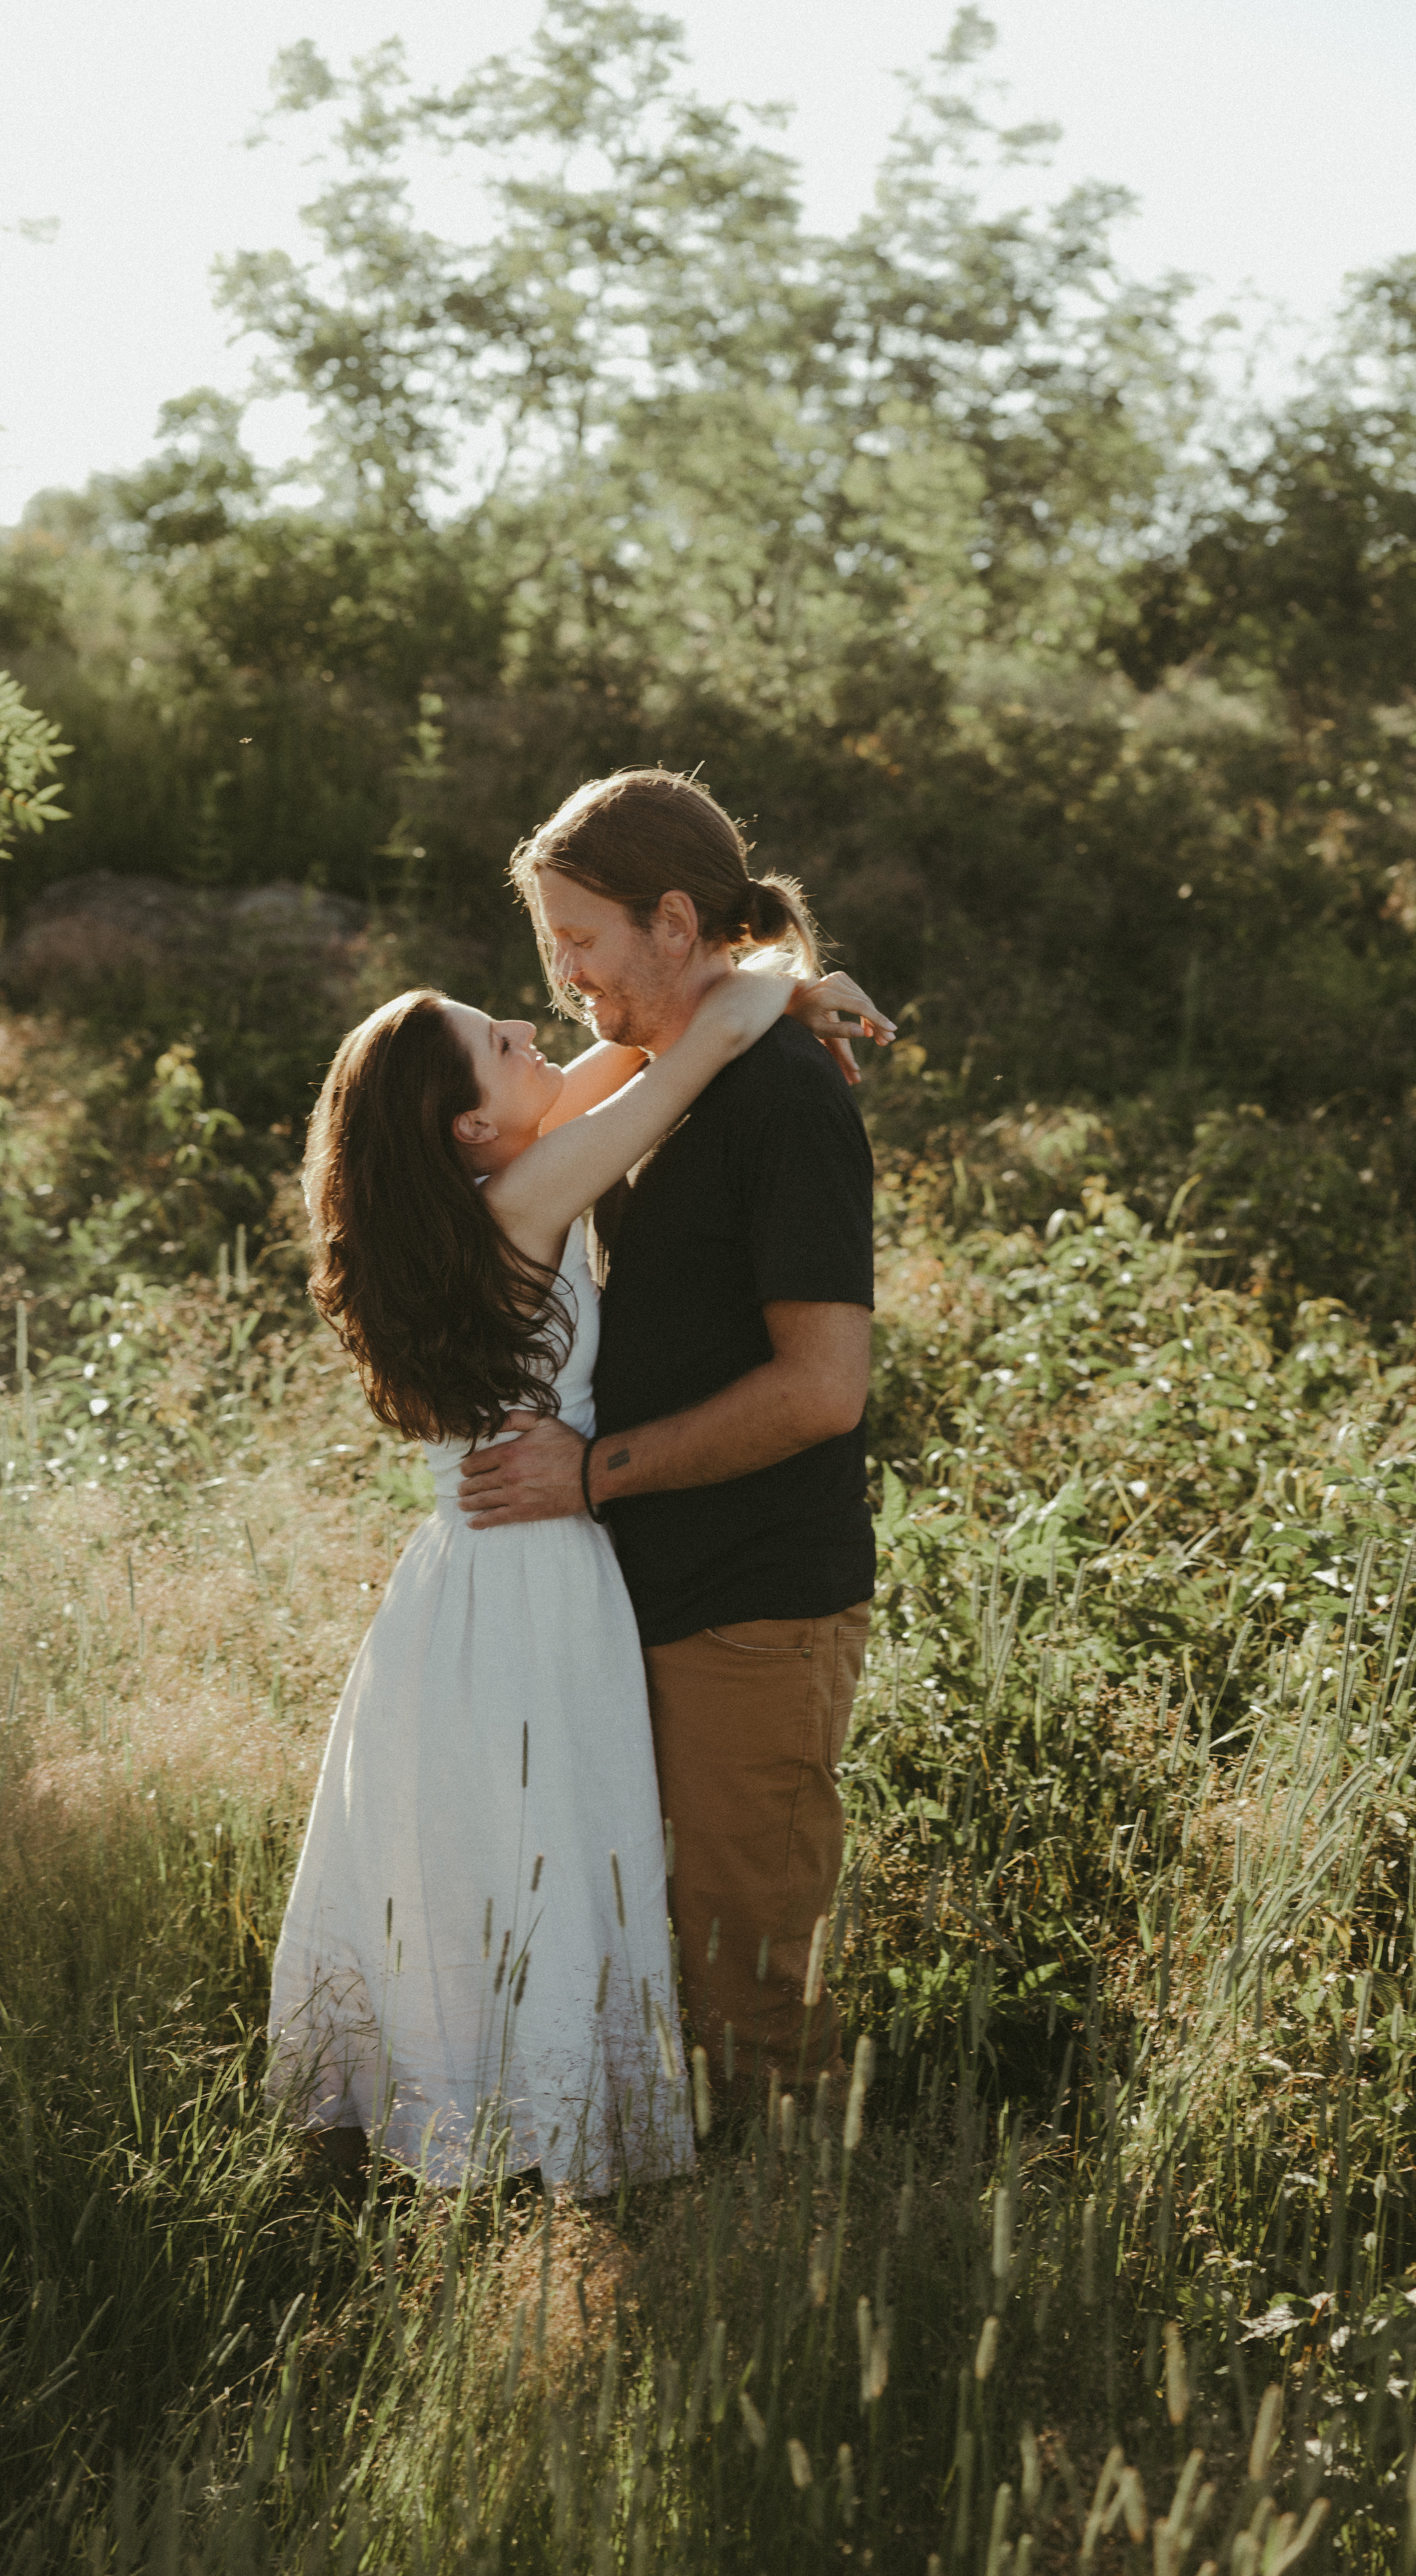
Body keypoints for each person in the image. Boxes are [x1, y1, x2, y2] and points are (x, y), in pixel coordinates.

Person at [266, 949, 890, 2196]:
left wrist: (771, 985)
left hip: (452, 1584)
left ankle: (459, 2114)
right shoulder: (527, 1195)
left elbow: (639, 1057)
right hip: (539, 1571)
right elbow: (687, 1063)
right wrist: (778, 984)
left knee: (479, 1847)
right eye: (493, 1039)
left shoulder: (476, 1196)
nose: (520, 1021)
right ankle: (547, 2136)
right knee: (550, 1838)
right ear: (471, 1125)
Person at [459, 769, 883, 2118]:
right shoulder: (667, 1075)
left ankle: (783, 2259)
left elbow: (822, 1388)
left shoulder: (783, 1103)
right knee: (653, 1944)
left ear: (676, 921)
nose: (566, 974)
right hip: (642, 1588)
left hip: (754, 1599)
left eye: (581, 939)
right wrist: (785, 982)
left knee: (750, 1980)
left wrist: (591, 1475)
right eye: (552, 946)